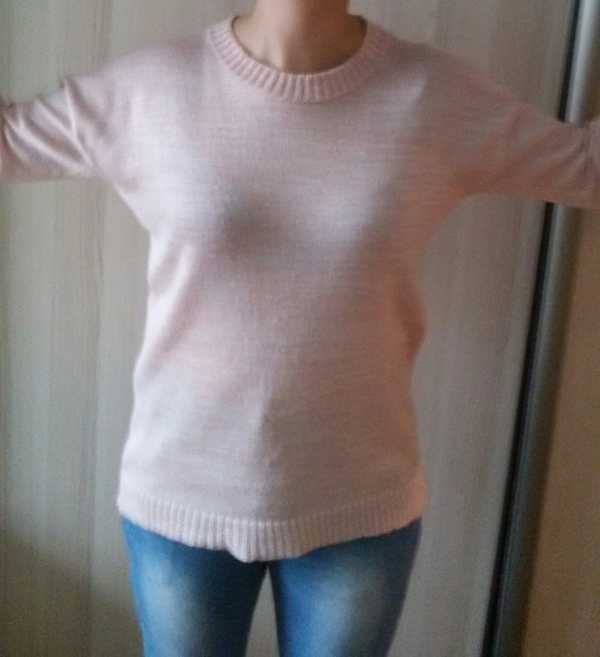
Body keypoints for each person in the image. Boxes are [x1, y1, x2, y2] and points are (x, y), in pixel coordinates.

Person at [2, 1, 598, 656]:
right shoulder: (154, 89)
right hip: (182, 494)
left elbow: (585, 168)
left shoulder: (433, 97)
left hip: (358, 503)